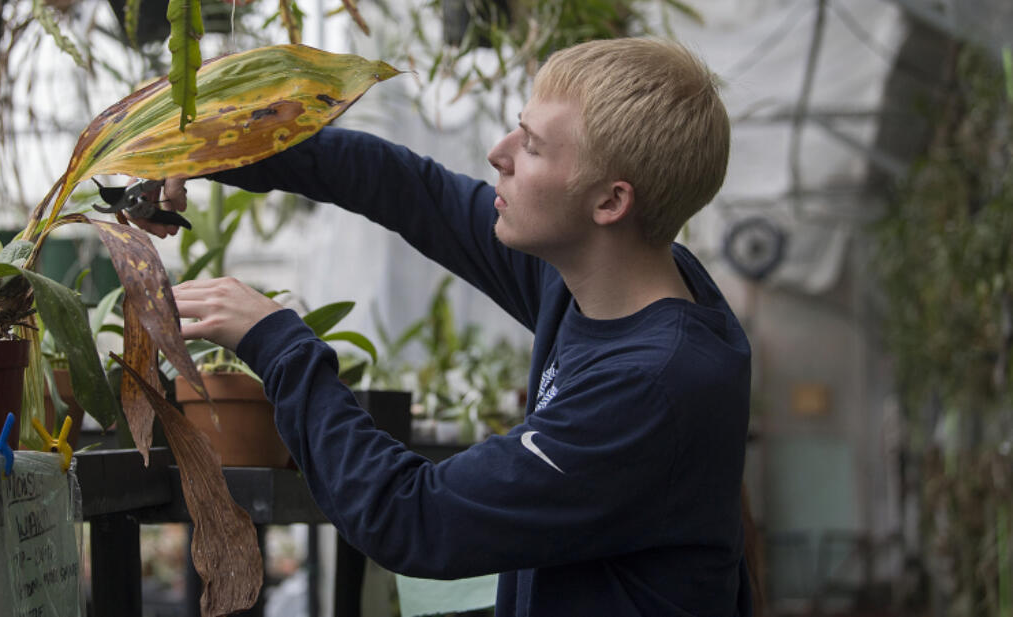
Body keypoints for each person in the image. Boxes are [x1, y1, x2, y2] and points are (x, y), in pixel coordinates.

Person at [140, 37, 754, 616]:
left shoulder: (653, 387)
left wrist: (275, 342)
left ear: (610, 203)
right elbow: (407, 188)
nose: (500, 152)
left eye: (533, 147)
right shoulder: (606, 280)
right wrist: (217, 147)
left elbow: (410, 518)